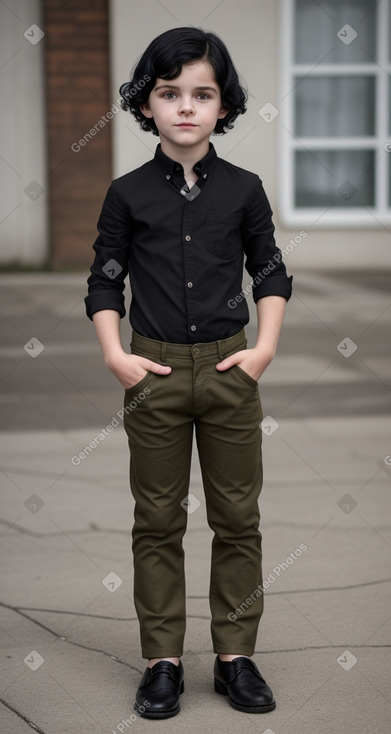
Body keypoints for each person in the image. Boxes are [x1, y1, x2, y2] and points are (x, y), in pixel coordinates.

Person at [85, 26, 292, 719]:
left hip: (231, 371)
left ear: (222, 106)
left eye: (200, 94)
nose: (184, 107)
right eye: (168, 93)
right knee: (157, 521)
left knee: (237, 519)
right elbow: (105, 281)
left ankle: (235, 658)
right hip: (155, 373)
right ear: (146, 104)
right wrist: (118, 357)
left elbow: (269, 270)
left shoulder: (243, 190)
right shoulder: (127, 193)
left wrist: (261, 350)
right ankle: (162, 661)